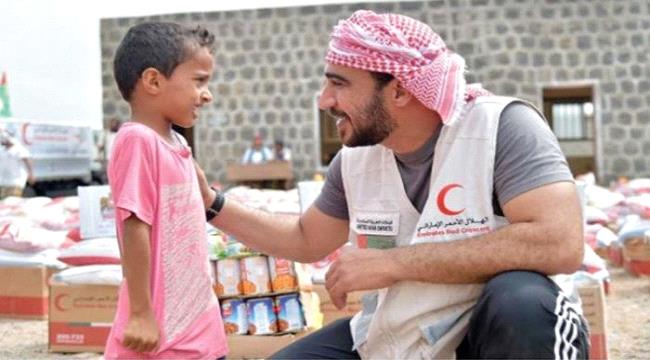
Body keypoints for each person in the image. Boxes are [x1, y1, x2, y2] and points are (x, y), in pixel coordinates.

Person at [196, 10, 588, 359]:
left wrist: (392, 263)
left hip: (493, 329)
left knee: (521, 302)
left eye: (339, 84)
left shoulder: (500, 128)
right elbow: (304, 239)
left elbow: (559, 242)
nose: (324, 100)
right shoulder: (356, 159)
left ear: (399, 89)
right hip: (404, 333)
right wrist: (211, 203)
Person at [105, 22, 227, 359]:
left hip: (197, 330)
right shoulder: (137, 140)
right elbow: (134, 226)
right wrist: (141, 314)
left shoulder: (175, 143)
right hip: (159, 339)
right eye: (199, 81)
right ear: (154, 81)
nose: (208, 94)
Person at [0, 128, 35, 198]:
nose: (1, 141)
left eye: (2, 139)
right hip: (3, 181)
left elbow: (27, 160)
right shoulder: (3, 150)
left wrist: (31, 174)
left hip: (16, 181)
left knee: (12, 201)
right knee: (3, 202)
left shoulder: (19, 149)